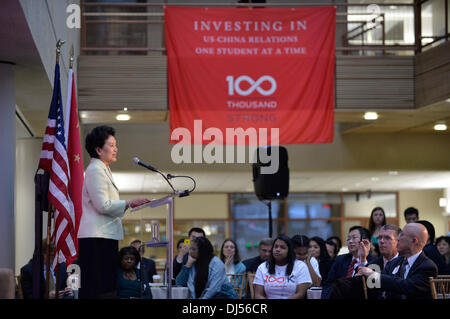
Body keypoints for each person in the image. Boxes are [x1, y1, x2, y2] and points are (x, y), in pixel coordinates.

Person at [78, 125, 150, 299]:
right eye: (111, 145)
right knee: (98, 287)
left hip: (104, 235)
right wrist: (128, 202)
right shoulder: (96, 169)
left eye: (115, 145)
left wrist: (127, 205)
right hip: (97, 237)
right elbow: (102, 205)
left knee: (106, 286)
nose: (116, 149)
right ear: (98, 149)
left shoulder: (103, 168)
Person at [357, 223, 438, 299]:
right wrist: (362, 259)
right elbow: (375, 285)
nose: (398, 239)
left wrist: (374, 275)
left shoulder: (428, 266)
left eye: (402, 235)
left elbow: (407, 287)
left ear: (414, 241)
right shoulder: (395, 262)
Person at [322, 226, 375, 299]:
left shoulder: (375, 263)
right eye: (348, 238)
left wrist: (363, 261)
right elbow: (328, 284)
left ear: (365, 241)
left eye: (354, 238)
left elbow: (374, 291)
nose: (350, 241)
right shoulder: (340, 259)